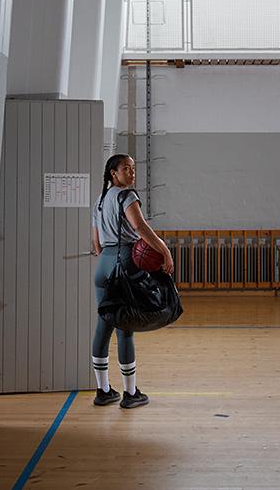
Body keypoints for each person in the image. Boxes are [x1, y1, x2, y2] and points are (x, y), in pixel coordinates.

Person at [90, 154, 174, 409]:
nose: (132, 172)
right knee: (125, 329)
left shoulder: (100, 200)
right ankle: (130, 393)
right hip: (124, 262)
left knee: (104, 323)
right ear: (113, 173)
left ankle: (103, 391)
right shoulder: (127, 196)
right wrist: (164, 251)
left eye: (133, 168)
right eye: (126, 168)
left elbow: (96, 244)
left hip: (103, 264)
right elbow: (140, 227)